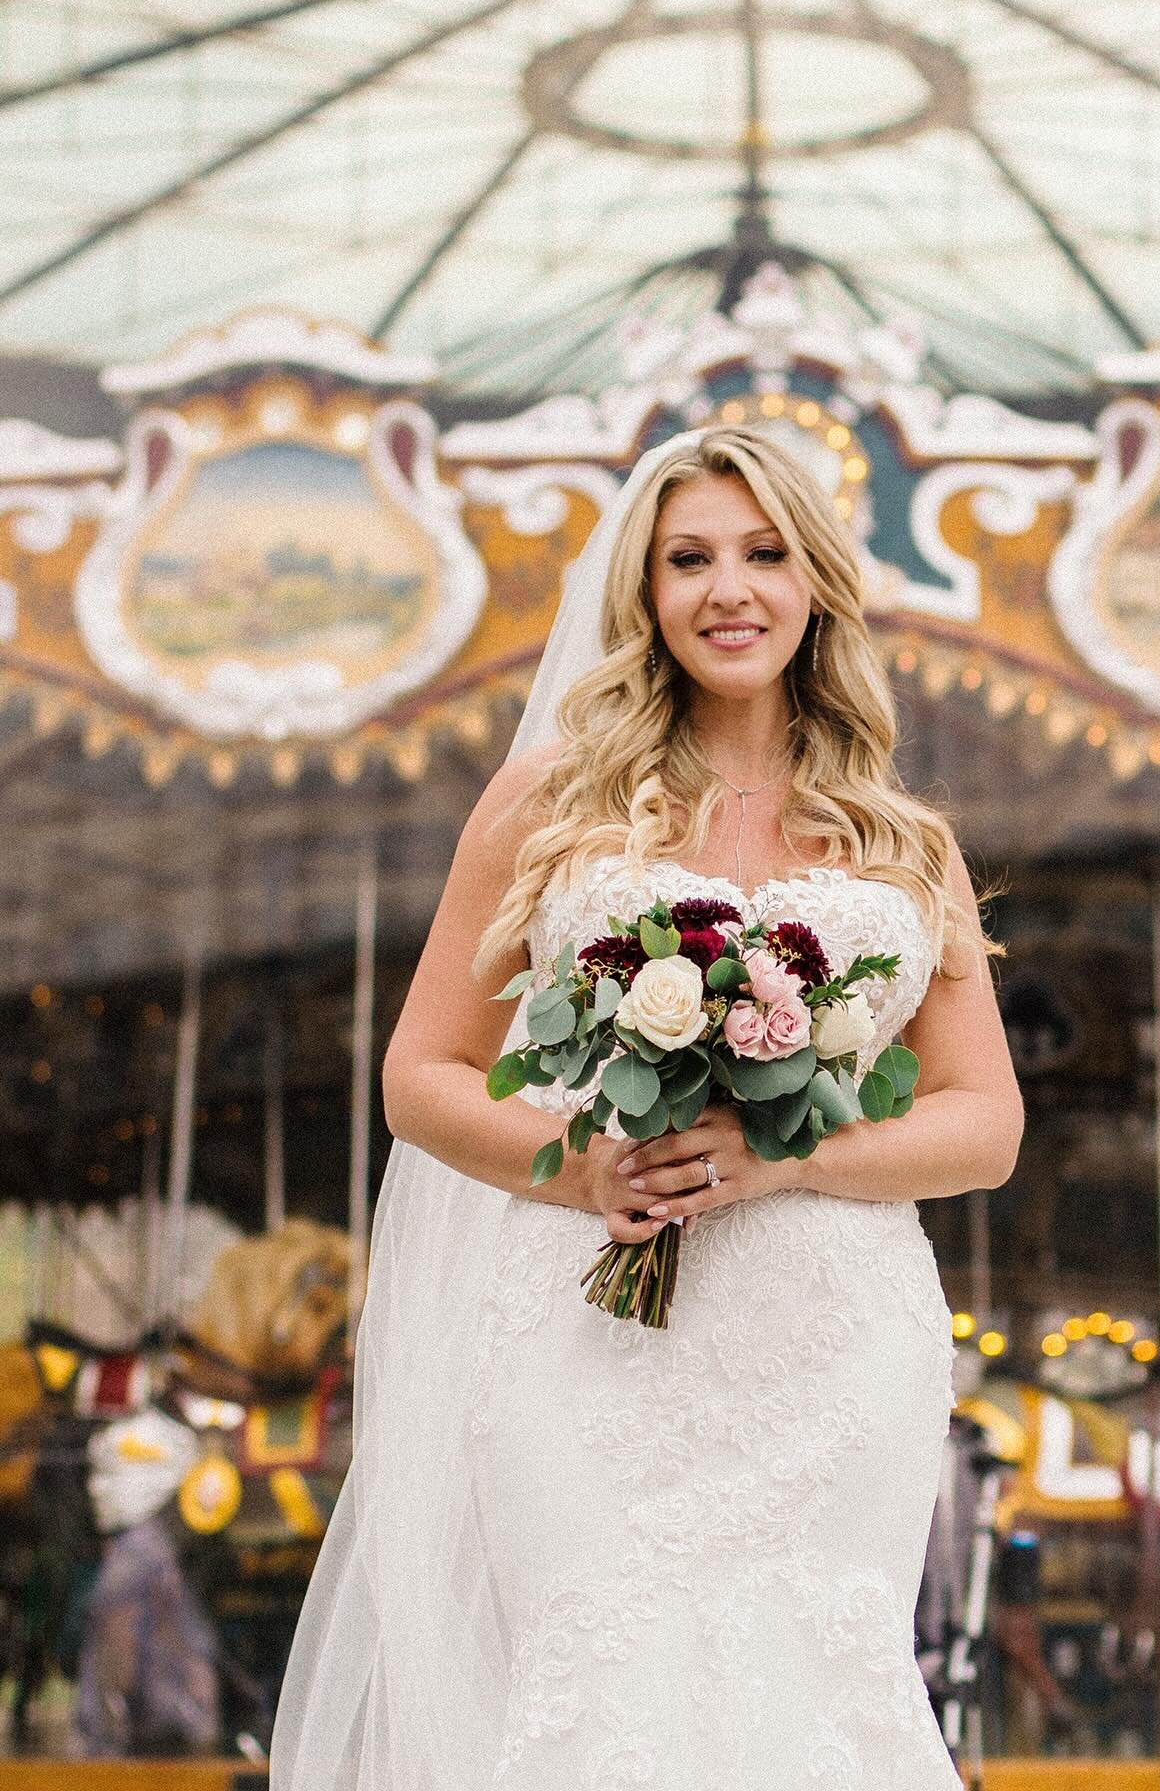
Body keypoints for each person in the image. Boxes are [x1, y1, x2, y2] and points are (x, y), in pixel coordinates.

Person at [271, 425, 1024, 1789]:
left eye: (763, 553)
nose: (728, 589)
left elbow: (985, 1123)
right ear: (645, 590)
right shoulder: (551, 800)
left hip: (831, 1342)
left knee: (820, 1686)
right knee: (604, 1677)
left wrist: (790, 1158)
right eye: (689, 560)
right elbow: (422, 1076)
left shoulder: (900, 838)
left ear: (814, 583)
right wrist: (579, 1169)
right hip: (592, 1331)